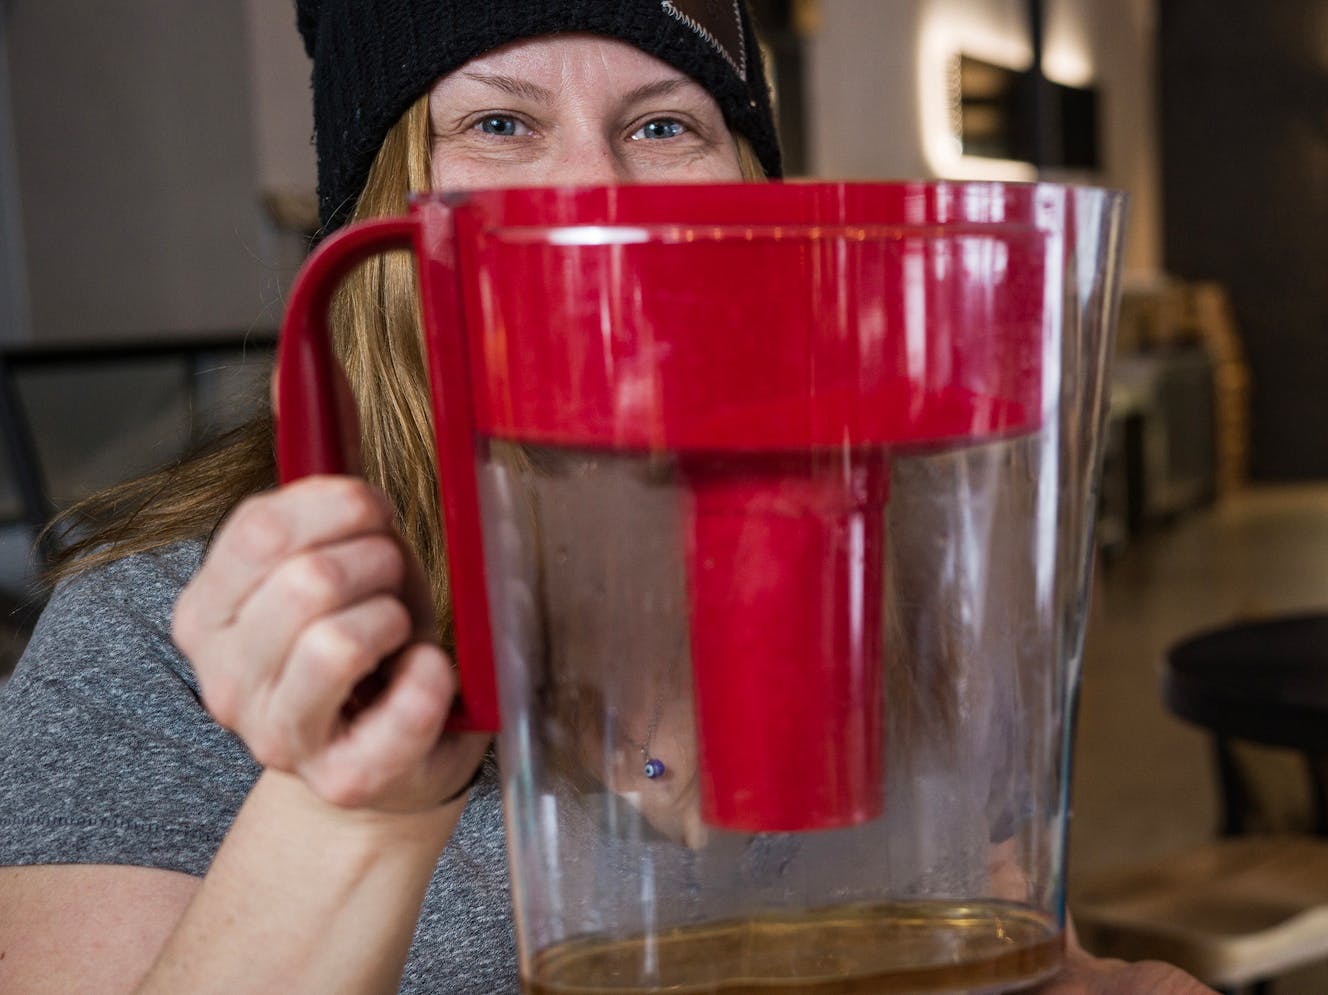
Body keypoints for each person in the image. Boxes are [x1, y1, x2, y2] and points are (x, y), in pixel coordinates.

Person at [0, 2, 1210, 992]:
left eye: (667, 124)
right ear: (386, 229)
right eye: (497, 121)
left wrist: (1098, 982)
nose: (595, 187)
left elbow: (954, 938)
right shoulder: (145, 647)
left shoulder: (883, 568)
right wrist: (351, 809)